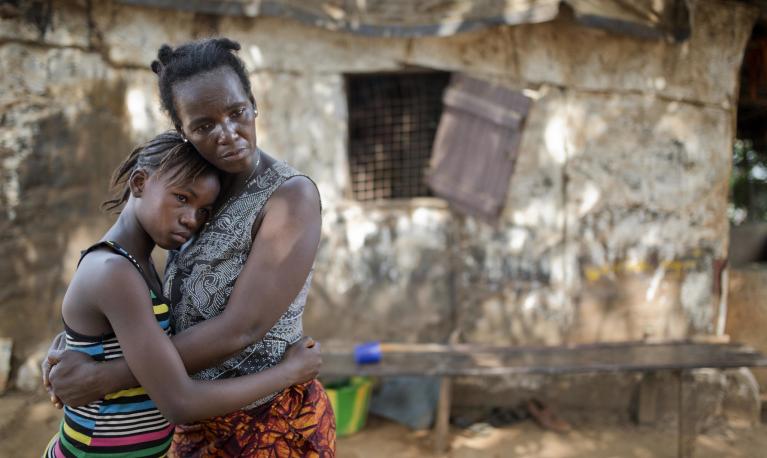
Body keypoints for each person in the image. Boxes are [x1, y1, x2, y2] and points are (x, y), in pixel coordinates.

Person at [44, 38, 335, 456]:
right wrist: (75, 346)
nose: (228, 134)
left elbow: (243, 327)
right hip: (191, 425)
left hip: (264, 423)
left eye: (237, 112)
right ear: (183, 131)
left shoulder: (289, 197)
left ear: (253, 104)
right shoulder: (196, 191)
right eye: (204, 125)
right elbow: (146, 304)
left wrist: (105, 376)